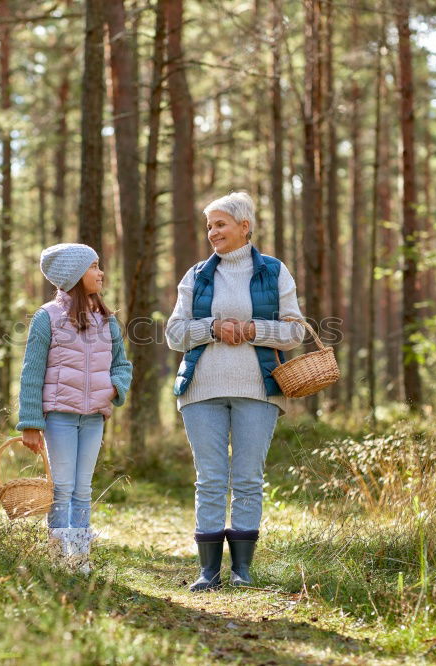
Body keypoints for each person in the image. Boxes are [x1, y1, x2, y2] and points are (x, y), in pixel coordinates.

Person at [166, 191, 306, 591]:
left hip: (259, 388)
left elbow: (295, 330)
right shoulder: (196, 276)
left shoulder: (274, 272)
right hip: (201, 389)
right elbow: (175, 333)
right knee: (210, 478)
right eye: (209, 226)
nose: (212, 233)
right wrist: (211, 328)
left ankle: (242, 570)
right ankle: (208, 572)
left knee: (247, 477)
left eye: (220, 224)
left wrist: (252, 330)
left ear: (245, 226)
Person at [17, 243, 133, 573]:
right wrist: (30, 422)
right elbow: (32, 372)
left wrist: (113, 388)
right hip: (59, 418)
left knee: (83, 488)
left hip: (94, 417)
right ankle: (57, 557)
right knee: (62, 488)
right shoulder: (47, 318)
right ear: (73, 275)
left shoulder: (107, 321)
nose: (101, 272)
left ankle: (80, 558)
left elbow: (122, 365)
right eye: (94, 266)